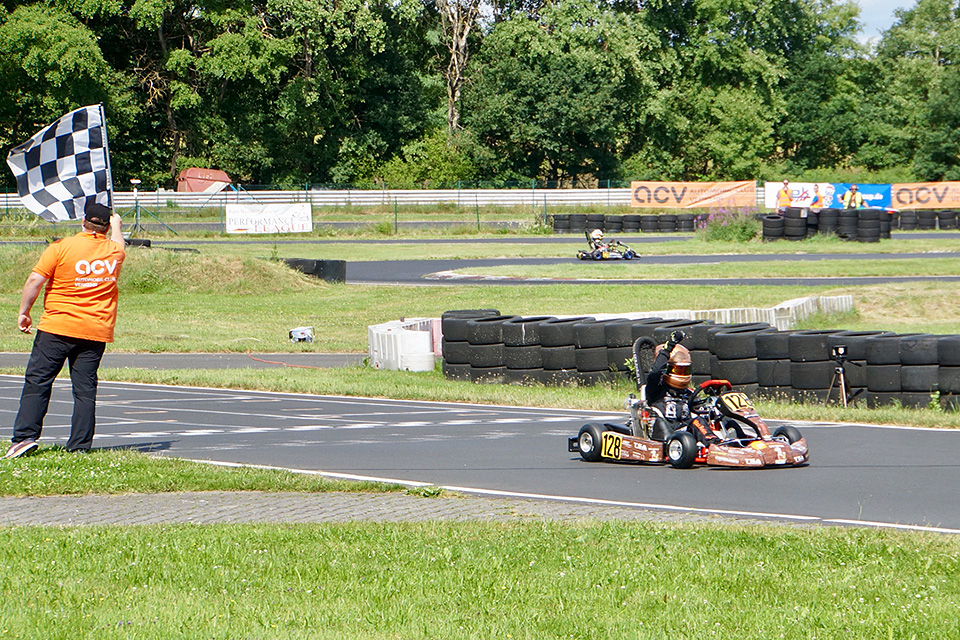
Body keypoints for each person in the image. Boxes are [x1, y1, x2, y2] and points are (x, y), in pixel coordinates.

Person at [5, 202, 125, 459]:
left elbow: (35, 280)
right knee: (85, 389)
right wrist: (117, 226)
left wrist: (24, 311)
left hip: (57, 327)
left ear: (83, 222)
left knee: (38, 382)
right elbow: (119, 243)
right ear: (105, 227)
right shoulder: (114, 252)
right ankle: (80, 444)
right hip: (94, 329)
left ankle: (25, 437)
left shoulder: (61, 247)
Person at [644, 331, 720, 445]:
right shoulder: (657, 391)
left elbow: (701, 411)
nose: (682, 375)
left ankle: (741, 442)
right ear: (666, 370)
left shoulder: (689, 394)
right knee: (697, 422)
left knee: (721, 417)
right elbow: (655, 373)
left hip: (688, 436)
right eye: (678, 370)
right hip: (668, 435)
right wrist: (668, 348)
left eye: (685, 370)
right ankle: (714, 444)